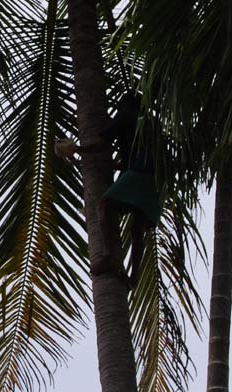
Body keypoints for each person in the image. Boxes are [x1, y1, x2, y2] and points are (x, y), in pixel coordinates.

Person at [54, 93, 161, 289]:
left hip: (137, 172)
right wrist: (118, 166)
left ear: (123, 105)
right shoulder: (150, 124)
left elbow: (102, 145)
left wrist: (76, 149)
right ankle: (134, 278)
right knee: (137, 230)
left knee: (104, 205)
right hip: (155, 180)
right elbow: (141, 153)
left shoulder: (125, 114)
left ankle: (108, 256)